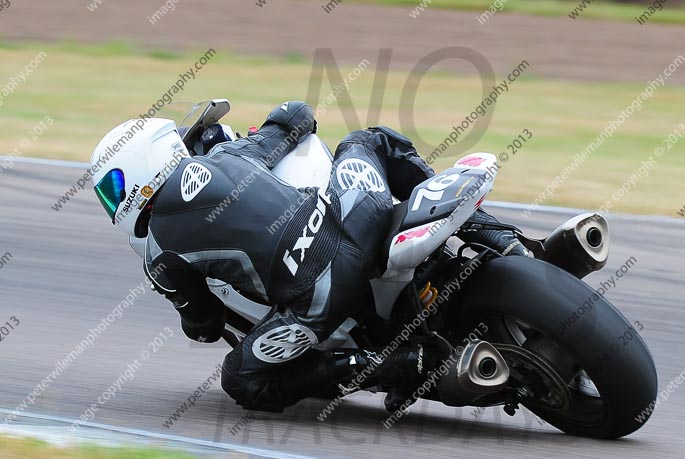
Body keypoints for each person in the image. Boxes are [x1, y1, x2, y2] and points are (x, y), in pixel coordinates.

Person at [90, 100, 528, 413]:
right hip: (354, 218)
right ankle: (495, 235)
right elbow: (296, 115)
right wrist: (269, 126)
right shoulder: (230, 153)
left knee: (240, 380)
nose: (114, 199)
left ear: (139, 170)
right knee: (370, 139)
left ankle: (403, 364)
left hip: (318, 297)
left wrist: (192, 305)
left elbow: (204, 326)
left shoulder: (159, 254)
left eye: (113, 187)